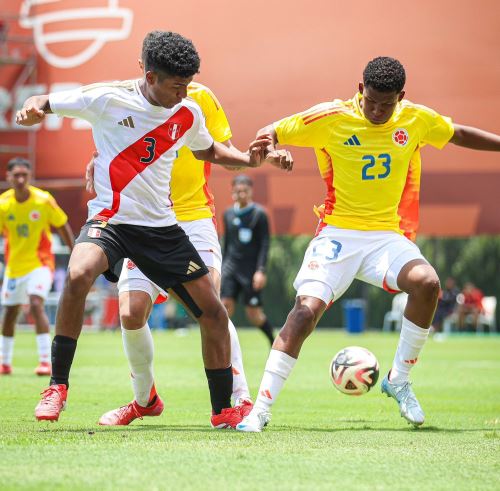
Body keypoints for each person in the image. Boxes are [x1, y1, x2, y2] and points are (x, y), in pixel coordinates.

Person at [16, 30, 292, 426]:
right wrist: (31, 110)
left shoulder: (190, 109)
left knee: (213, 312)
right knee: (78, 274)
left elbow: (207, 149)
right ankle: (57, 387)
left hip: (161, 228)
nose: (184, 93)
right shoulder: (107, 98)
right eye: (177, 85)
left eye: (189, 85)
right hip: (111, 221)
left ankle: (225, 409)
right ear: (150, 77)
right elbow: (43, 101)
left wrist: (249, 161)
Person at [236, 56, 500, 432]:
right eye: (371, 100)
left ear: (401, 97)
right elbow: (273, 130)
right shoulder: (330, 117)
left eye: (386, 104)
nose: (377, 110)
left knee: (427, 283)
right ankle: (259, 411)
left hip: (385, 239)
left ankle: (399, 381)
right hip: (337, 236)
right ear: (360, 89)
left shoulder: (415, 119)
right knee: (304, 313)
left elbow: (457, 133)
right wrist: (270, 147)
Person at [94, 81, 258, 426]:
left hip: (193, 217)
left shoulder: (200, 97)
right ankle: (144, 400)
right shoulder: (125, 98)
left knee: (209, 302)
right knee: (131, 312)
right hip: (146, 220)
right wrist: (96, 162)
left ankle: (240, 397)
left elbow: (221, 149)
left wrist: (249, 160)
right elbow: (112, 145)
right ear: (148, 71)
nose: (178, 84)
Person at [0, 157, 74, 376]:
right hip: (14, 267)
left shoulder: (43, 200)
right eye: (16, 175)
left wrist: (75, 254)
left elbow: (62, 226)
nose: (21, 179)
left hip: (41, 264)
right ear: (8, 177)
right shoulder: (3, 204)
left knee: (35, 303)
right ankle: (4, 362)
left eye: (25, 175)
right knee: (10, 313)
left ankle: (45, 361)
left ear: (30, 177)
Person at [221, 175, 275, 346]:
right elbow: (227, 244)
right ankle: (221, 347)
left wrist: (261, 270)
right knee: (224, 308)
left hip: (251, 270)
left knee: (254, 314)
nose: (241, 194)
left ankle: (273, 344)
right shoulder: (228, 214)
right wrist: (221, 268)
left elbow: (265, 244)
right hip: (230, 268)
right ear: (232, 192)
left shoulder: (259, 214)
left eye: (244, 191)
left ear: (250, 191)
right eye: (238, 191)